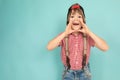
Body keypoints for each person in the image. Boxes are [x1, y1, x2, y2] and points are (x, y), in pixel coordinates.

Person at [47, 3, 109, 80]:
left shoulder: (88, 36)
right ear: (68, 20)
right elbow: (49, 47)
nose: (76, 19)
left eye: (79, 17)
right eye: (72, 17)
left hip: (84, 73)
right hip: (68, 73)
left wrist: (89, 32)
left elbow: (105, 47)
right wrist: (65, 33)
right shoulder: (63, 36)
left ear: (83, 20)